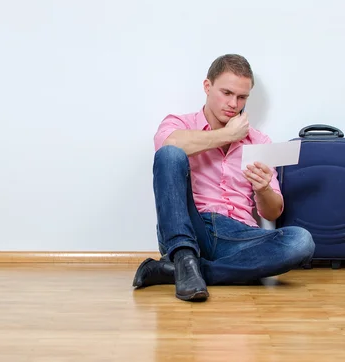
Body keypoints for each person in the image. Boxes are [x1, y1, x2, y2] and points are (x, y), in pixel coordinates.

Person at [132, 54, 315, 302]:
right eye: (226, 93)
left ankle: (180, 271)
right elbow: (167, 146)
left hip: (239, 235)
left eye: (241, 97)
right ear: (207, 87)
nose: (233, 103)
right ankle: (186, 257)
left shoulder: (259, 141)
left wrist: (263, 190)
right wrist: (227, 135)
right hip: (191, 228)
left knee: (301, 241)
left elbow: (272, 213)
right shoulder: (180, 124)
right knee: (170, 155)